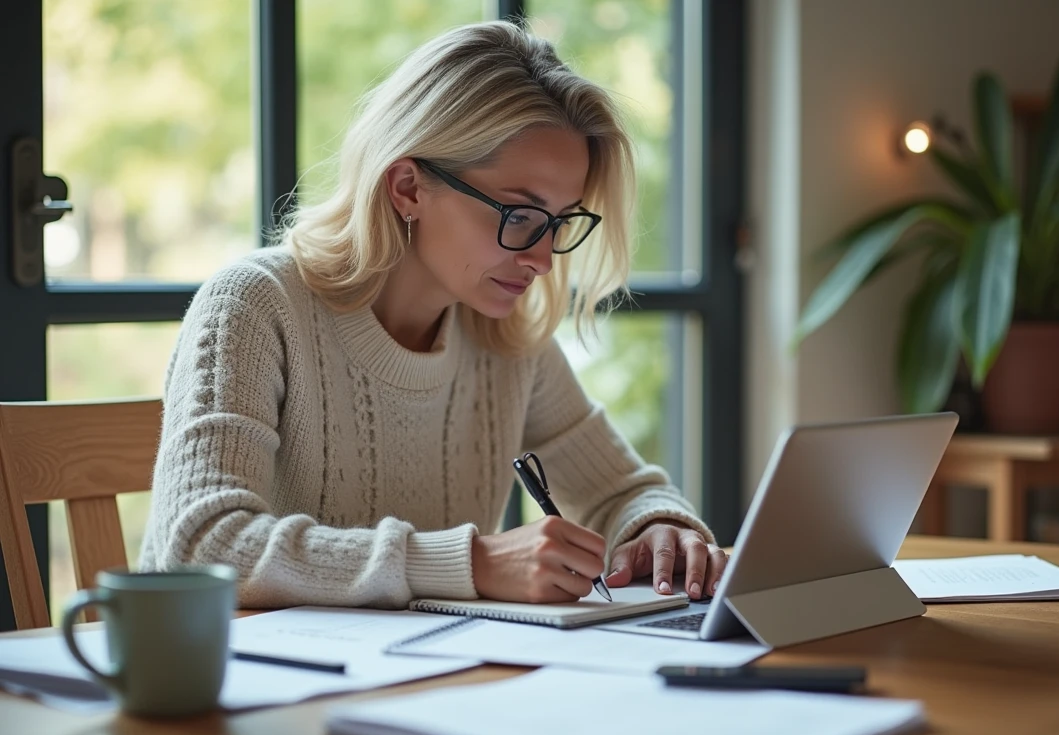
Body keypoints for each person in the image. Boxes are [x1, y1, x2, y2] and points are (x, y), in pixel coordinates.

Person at [140, 20, 727, 609]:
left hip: (422, 685)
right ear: (407, 187)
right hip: (231, 690)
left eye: (561, 221)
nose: (544, 258)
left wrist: (658, 529)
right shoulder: (256, 305)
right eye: (520, 215)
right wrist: (470, 562)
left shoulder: (505, 340)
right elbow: (199, 545)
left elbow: (619, 490)